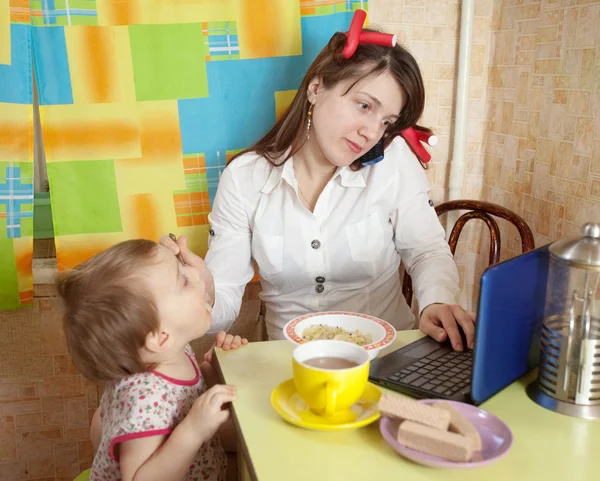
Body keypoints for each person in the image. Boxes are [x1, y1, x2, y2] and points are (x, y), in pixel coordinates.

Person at [161, 23, 476, 352]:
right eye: (364, 105)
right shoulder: (244, 179)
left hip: (385, 358)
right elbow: (223, 305)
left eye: (386, 121)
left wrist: (435, 302)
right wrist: (203, 290)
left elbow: (426, 250)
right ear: (315, 88)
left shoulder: (393, 160)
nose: (371, 132)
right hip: (290, 365)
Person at [56, 239, 247, 481]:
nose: (196, 275)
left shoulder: (171, 353)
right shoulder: (144, 401)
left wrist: (211, 375)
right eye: (184, 281)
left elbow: (179, 401)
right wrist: (193, 430)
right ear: (160, 338)